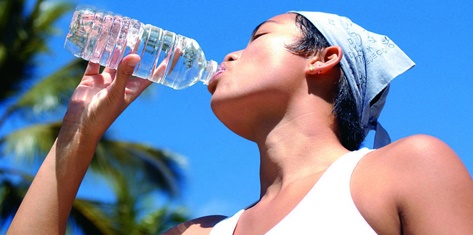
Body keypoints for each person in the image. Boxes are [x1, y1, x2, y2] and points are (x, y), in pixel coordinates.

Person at [7, 11, 473, 235]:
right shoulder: (195, 234)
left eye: (258, 38)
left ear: (324, 59)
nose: (230, 54)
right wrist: (80, 132)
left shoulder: (406, 170)